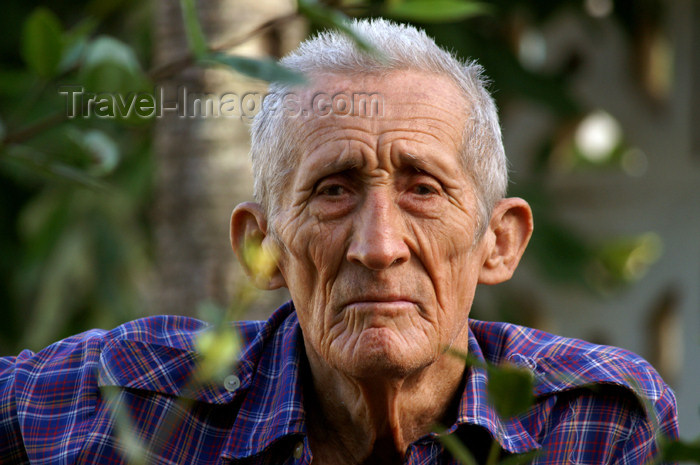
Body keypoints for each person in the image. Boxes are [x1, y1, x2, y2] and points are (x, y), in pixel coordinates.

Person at [0, 19, 678, 465]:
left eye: (422, 188)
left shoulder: (598, 421)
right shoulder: (136, 396)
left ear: (498, 242)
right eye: (333, 190)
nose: (379, 247)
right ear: (261, 246)